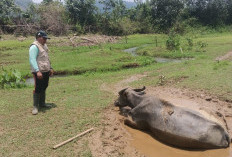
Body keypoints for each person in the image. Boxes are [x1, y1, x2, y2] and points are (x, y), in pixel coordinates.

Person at [29, 30, 54, 115]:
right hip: (38, 71)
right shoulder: (34, 47)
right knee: (38, 88)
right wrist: (37, 71)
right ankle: (35, 106)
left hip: (45, 70)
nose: (45, 40)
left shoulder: (44, 46)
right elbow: (32, 59)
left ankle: (42, 103)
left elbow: (46, 58)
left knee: (44, 85)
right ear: (39, 38)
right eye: (44, 38)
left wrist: (50, 68)